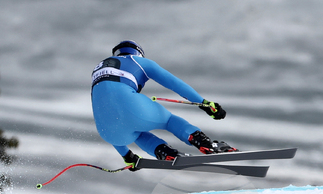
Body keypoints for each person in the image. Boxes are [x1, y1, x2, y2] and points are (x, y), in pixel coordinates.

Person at [91, 40, 236, 166]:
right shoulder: (137, 60)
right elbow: (174, 83)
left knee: (137, 133)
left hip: (108, 133)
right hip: (132, 108)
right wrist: (204, 104)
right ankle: (206, 144)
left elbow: (106, 112)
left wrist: (127, 156)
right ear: (138, 52)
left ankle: (166, 153)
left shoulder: (98, 69)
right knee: (168, 121)